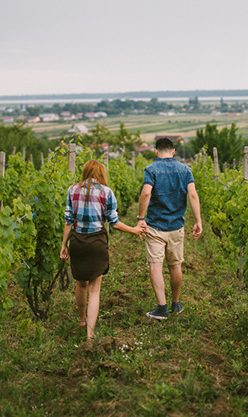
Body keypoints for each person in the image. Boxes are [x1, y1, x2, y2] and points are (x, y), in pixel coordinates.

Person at [60, 159, 143, 341]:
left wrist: (63, 245)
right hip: (97, 242)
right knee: (94, 290)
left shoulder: (72, 189)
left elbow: (68, 220)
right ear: (100, 174)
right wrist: (134, 230)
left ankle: (82, 319)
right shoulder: (107, 192)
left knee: (80, 283)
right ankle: (90, 333)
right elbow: (114, 223)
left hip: (78, 241)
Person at [137, 137, 203, 320]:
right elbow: (193, 195)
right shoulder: (185, 170)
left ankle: (162, 308)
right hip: (176, 226)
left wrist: (141, 218)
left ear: (156, 151)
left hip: (155, 226)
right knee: (175, 266)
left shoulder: (151, 169)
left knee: (156, 266)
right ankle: (176, 303)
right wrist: (198, 220)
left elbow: (146, 192)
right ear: (173, 151)